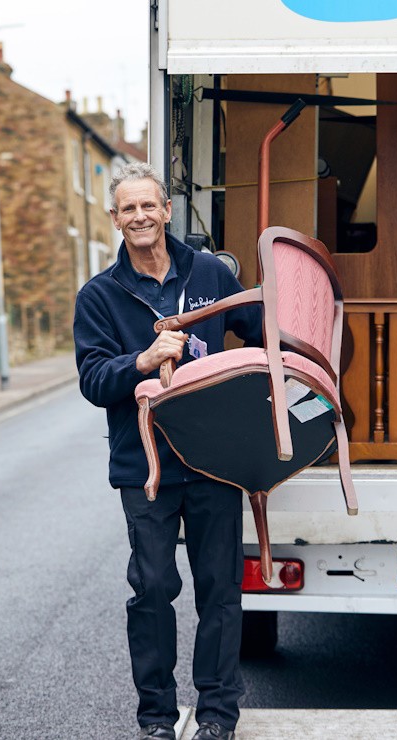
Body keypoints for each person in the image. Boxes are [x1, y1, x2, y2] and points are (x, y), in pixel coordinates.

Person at [74, 162, 262, 740]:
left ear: (166, 210)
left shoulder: (209, 272)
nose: (139, 217)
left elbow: (262, 335)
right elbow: (93, 381)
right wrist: (142, 361)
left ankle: (216, 718)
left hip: (214, 459)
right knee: (153, 589)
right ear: (114, 218)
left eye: (148, 206)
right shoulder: (100, 296)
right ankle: (156, 718)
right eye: (127, 209)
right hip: (145, 464)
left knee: (220, 591)